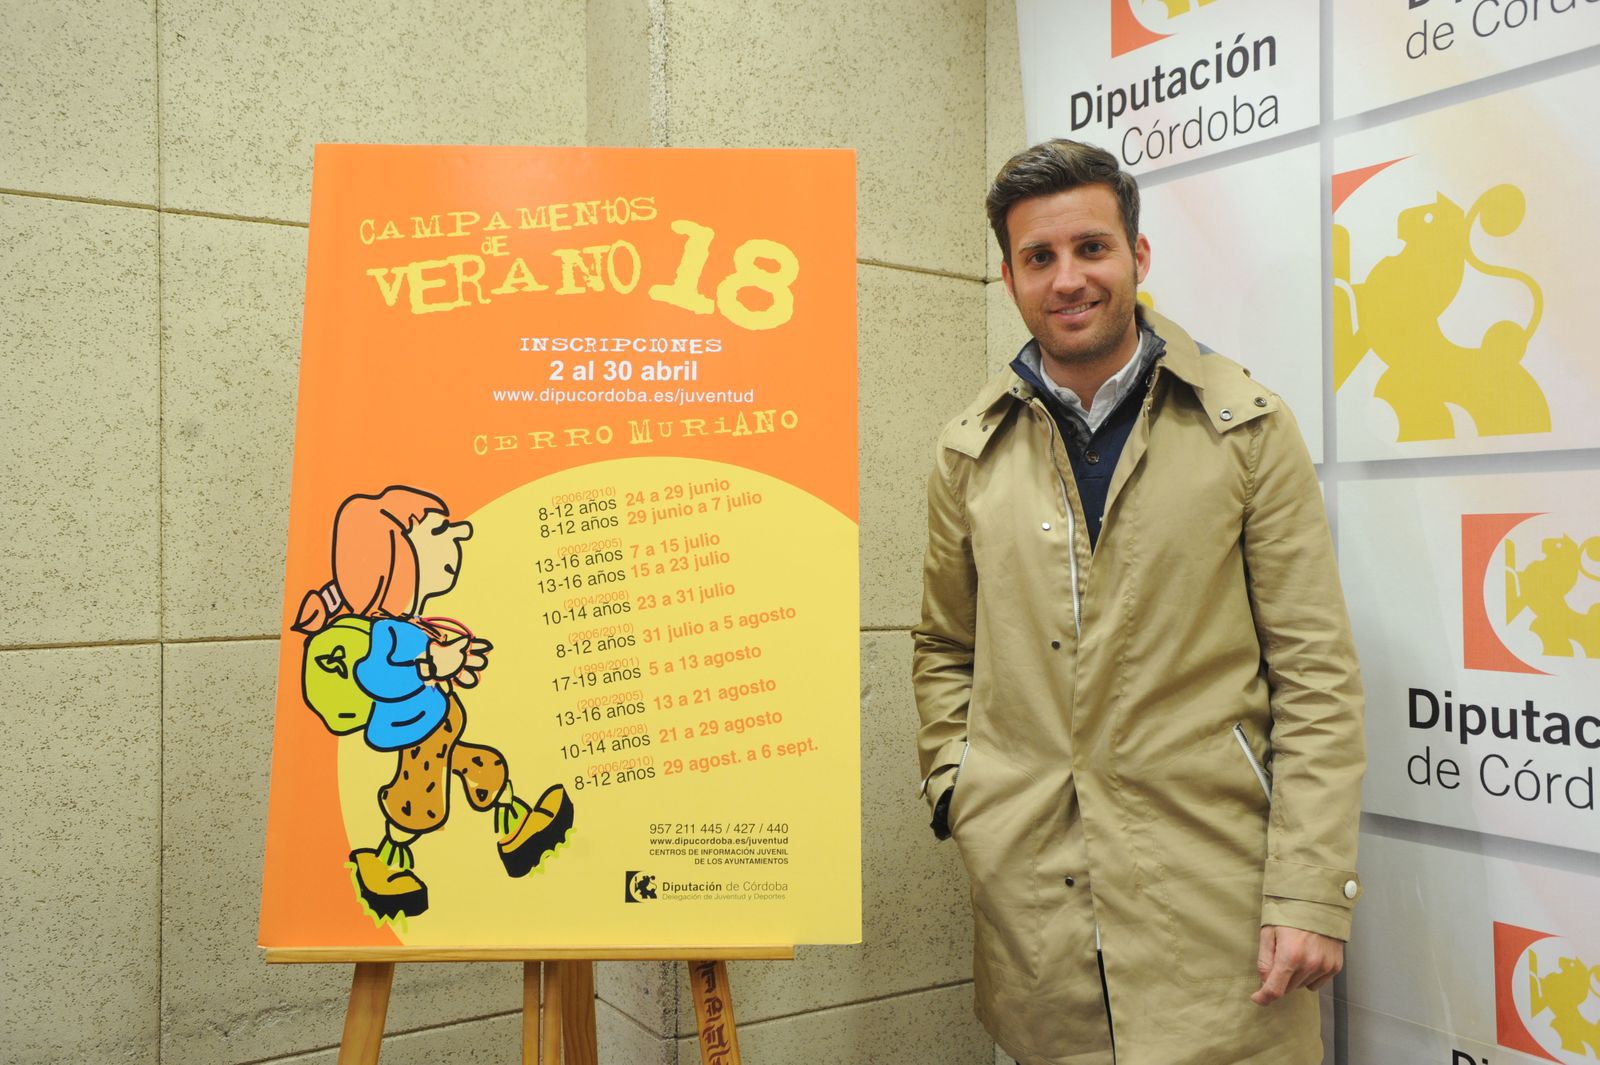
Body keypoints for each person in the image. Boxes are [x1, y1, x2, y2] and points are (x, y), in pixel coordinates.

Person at [911, 140, 1365, 1065]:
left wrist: (1311, 893)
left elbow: (1315, 674)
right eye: (1040, 257)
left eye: (1092, 248)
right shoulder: (970, 453)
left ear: (1138, 256)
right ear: (1009, 277)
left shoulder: (1244, 427)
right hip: (1040, 918)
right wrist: (965, 793)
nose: (1068, 277)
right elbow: (943, 646)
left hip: (1220, 914)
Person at [294, 485, 574, 921]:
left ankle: (517, 829)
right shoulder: (386, 631)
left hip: (439, 725)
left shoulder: (414, 624)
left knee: (484, 766)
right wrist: (430, 665)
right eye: (440, 530)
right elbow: (375, 676)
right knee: (421, 803)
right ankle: (385, 866)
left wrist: (450, 664)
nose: (459, 535)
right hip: (416, 733)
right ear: (396, 554)